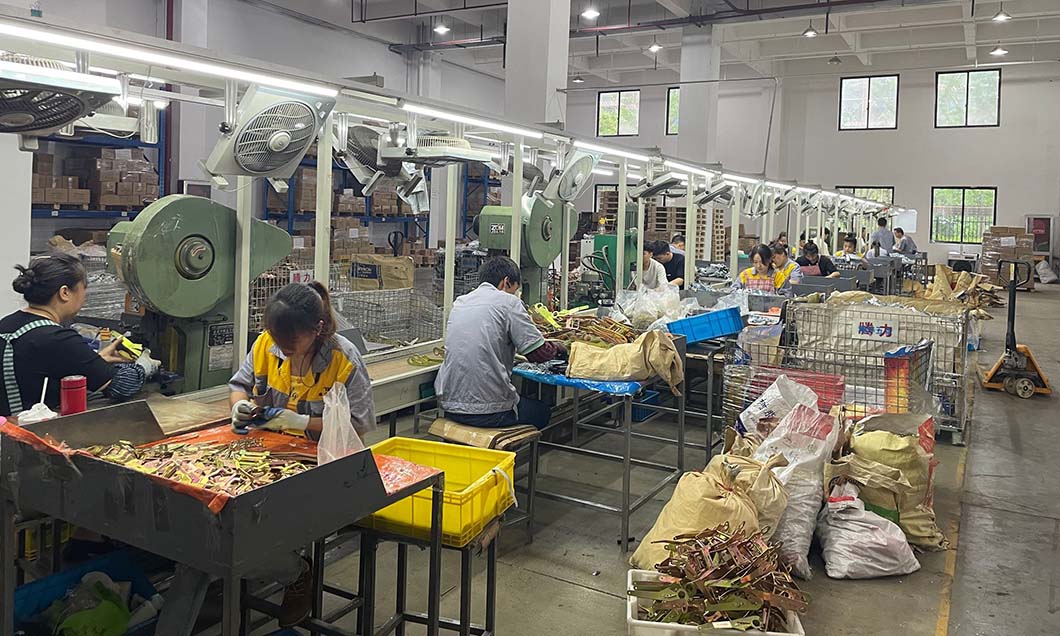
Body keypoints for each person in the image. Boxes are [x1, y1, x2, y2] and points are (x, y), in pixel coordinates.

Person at [229, 280, 375, 627]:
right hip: (267, 453)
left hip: (319, 461)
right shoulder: (267, 344)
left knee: (264, 529)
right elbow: (239, 385)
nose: (282, 351)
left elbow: (359, 424)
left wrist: (303, 422)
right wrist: (239, 405)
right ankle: (275, 564)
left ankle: (295, 572)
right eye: (277, 341)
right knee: (232, 521)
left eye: (290, 345)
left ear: (317, 329)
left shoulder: (342, 359)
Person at [0, 254, 159, 417]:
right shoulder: (57, 338)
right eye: (84, 288)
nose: (84, 297)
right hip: (29, 428)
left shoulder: (6, 324)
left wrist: (96, 361)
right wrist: (144, 366)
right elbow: (123, 386)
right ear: (64, 292)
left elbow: (36, 367)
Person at [435, 256, 564, 431]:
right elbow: (538, 354)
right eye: (515, 289)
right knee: (542, 412)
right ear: (506, 282)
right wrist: (559, 348)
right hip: (489, 411)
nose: (515, 294)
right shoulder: (509, 302)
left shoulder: (461, 302)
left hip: (449, 406)